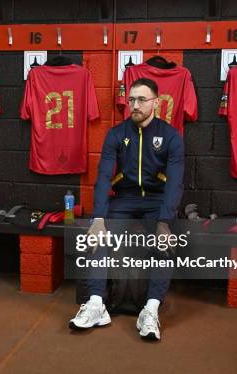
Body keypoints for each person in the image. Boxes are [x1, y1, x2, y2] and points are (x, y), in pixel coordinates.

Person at [69, 78, 184, 341]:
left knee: (165, 243)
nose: (135, 105)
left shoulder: (171, 137)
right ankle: (97, 304)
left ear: (156, 102)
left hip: (157, 201)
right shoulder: (117, 134)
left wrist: (164, 222)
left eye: (142, 99)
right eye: (131, 99)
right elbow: (103, 177)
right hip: (124, 199)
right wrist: (98, 218)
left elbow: (175, 183)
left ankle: (151, 309)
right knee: (97, 236)